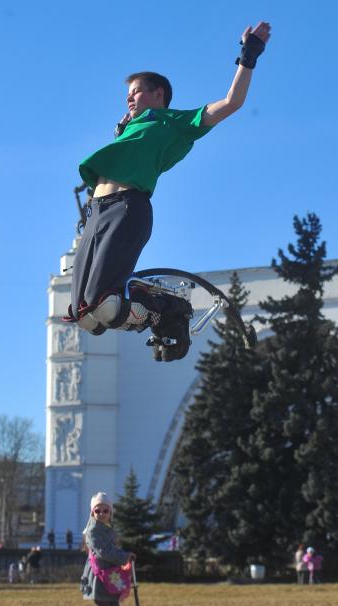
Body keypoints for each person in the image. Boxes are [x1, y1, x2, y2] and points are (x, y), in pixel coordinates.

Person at [65, 22, 271, 362]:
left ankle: (170, 310)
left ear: (159, 94)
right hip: (96, 214)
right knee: (85, 316)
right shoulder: (127, 129)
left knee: (105, 306)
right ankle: (148, 308)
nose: (129, 97)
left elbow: (232, 102)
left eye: (137, 91)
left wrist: (249, 55)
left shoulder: (171, 121)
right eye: (127, 94)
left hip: (127, 208)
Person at [81, 492, 136, 606]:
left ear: (110, 512)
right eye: (97, 510)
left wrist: (126, 555)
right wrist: (123, 557)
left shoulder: (107, 528)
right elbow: (104, 552)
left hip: (110, 576)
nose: (101, 514)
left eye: (105, 510)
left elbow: (112, 549)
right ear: (92, 512)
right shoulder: (93, 531)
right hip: (99, 577)